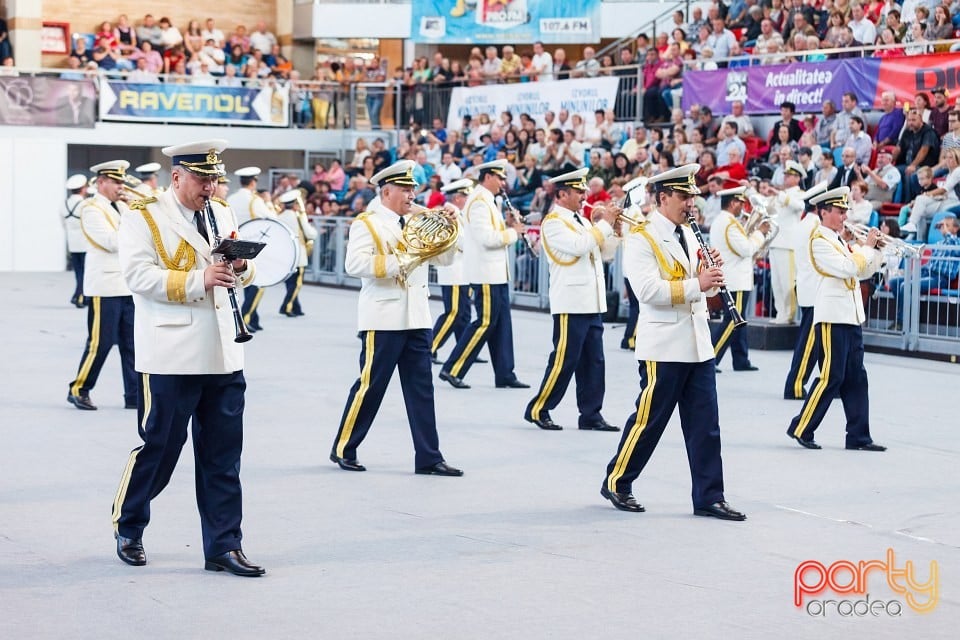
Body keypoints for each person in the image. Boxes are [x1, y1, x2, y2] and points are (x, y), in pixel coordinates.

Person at [111, 139, 265, 576]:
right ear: (176, 176)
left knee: (223, 455)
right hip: (170, 353)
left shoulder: (224, 212)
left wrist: (241, 269)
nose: (211, 187)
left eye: (216, 179)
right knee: (160, 448)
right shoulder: (143, 217)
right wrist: (201, 278)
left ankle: (223, 545)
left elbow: (240, 265)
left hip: (224, 352)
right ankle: (130, 523)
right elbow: (138, 276)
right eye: (202, 178)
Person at [600, 164, 746, 521]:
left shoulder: (691, 234)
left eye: (692, 197)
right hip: (663, 345)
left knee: (705, 426)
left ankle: (710, 496)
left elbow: (698, 284)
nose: (690, 205)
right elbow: (647, 291)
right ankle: (618, 481)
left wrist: (710, 279)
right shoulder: (642, 237)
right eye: (684, 197)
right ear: (663, 197)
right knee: (649, 422)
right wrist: (699, 282)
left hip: (696, 342)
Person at [329, 160, 463, 476]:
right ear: (386, 191)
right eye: (405, 189)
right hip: (383, 316)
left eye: (413, 188)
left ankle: (429, 457)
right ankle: (344, 447)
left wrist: (451, 227)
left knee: (422, 389)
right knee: (371, 386)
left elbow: (444, 259)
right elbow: (355, 264)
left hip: (417, 315)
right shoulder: (368, 223)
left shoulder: (418, 220)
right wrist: (399, 261)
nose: (411, 194)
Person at [786, 187, 886, 452]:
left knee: (856, 377)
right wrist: (865, 248)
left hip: (850, 315)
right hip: (831, 317)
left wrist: (876, 251)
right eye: (840, 211)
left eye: (845, 211)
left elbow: (864, 269)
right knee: (831, 375)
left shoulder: (840, 240)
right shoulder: (819, 240)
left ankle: (858, 436)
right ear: (824, 212)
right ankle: (801, 427)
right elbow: (848, 268)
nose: (844, 216)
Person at [523, 168, 621, 432]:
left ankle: (591, 414)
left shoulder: (583, 220)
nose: (584, 195)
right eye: (579, 191)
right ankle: (539, 408)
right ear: (562, 194)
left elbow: (603, 253)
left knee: (594, 361)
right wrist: (603, 224)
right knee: (564, 360)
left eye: (584, 190)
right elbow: (579, 247)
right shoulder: (553, 222)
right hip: (571, 301)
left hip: (591, 300)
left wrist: (614, 230)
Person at [438, 160, 529, 390]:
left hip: (496, 273)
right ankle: (453, 368)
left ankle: (505, 373)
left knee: (501, 325)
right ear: (488, 177)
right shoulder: (479, 202)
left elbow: (492, 233)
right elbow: (487, 239)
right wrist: (514, 233)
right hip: (485, 273)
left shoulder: (487, 200)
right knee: (485, 322)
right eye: (499, 178)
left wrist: (508, 224)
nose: (503, 183)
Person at [67, 161, 137, 411]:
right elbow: (110, 242)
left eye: (122, 182)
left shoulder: (121, 206)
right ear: (101, 182)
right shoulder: (90, 208)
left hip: (128, 285)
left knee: (132, 344)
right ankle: (79, 389)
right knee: (100, 343)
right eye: (116, 182)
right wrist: (135, 229)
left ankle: (134, 395)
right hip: (105, 286)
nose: (121, 187)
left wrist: (134, 211)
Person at [710, 187, 764, 371]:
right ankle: (711, 359)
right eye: (741, 202)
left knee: (739, 319)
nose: (743, 206)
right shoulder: (730, 224)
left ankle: (741, 359)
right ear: (733, 203)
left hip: (732, 277)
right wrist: (760, 233)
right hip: (736, 279)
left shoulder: (723, 221)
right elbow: (747, 249)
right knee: (733, 320)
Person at [783, 182, 827, 400]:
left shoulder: (804, 224)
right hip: (816, 289)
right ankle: (795, 386)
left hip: (809, 287)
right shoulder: (815, 227)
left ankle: (829, 385)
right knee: (809, 345)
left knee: (820, 344)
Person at [887, 213, 960, 329]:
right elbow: (929, 265)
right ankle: (905, 317)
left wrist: (946, 229)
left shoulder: (956, 243)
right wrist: (914, 272)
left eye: (947, 225)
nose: (943, 227)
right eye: (943, 225)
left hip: (940, 278)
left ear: (956, 228)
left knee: (906, 286)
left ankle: (902, 323)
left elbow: (953, 244)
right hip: (927, 274)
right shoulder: (939, 244)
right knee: (894, 282)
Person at [431, 179, 473, 363]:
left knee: (463, 314)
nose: (468, 199)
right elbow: (461, 242)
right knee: (454, 313)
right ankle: (430, 347)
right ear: (457, 197)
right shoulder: (450, 214)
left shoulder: (458, 213)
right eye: (466, 196)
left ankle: (462, 350)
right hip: (454, 270)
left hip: (461, 271)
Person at [228, 167, 275, 332]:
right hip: (252, 247)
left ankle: (254, 319)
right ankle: (244, 319)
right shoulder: (255, 200)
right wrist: (268, 201)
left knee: (244, 283)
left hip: (235, 244)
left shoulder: (231, 198)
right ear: (253, 182)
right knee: (257, 284)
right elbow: (272, 218)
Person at [768, 161, 808, 323]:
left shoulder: (799, 193)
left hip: (788, 243)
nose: (786, 177)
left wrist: (780, 195)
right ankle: (780, 313)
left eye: (790, 175)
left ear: (798, 178)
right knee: (776, 282)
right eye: (785, 174)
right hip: (775, 241)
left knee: (787, 282)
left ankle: (789, 314)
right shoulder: (781, 194)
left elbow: (799, 206)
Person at [276, 189, 317, 317]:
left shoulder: (279, 217)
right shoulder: (298, 217)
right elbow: (311, 234)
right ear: (294, 204)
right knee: (297, 284)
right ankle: (286, 307)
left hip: (285, 255)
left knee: (290, 283)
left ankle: (296, 307)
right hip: (299, 255)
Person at [63, 174, 89, 308]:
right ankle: (78, 296)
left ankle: (81, 296)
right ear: (83, 188)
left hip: (72, 245)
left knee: (78, 272)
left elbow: (63, 224)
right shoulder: (85, 204)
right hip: (85, 245)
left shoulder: (64, 204)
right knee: (86, 273)